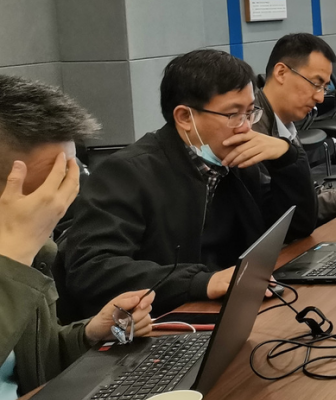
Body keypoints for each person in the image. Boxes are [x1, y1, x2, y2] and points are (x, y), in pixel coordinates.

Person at [54, 50, 318, 321]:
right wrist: (202, 281)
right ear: (184, 117)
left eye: (250, 113)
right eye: (233, 115)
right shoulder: (125, 174)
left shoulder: (239, 162)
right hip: (163, 320)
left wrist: (288, 158)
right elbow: (92, 269)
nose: (246, 128)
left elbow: (296, 228)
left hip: (235, 309)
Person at [0, 76, 154, 400]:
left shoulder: (33, 251)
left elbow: (29, 364)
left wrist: (89, 334)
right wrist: (12, 260)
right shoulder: (19, 251)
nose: (61, 203)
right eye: (50, 186)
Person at [253, 33, 336, 221]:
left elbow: (304, 194)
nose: (320, 98)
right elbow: (285, 213)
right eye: (316, 84)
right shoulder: (251, 130)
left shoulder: (286, 125)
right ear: (281, 73)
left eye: (324, 88)